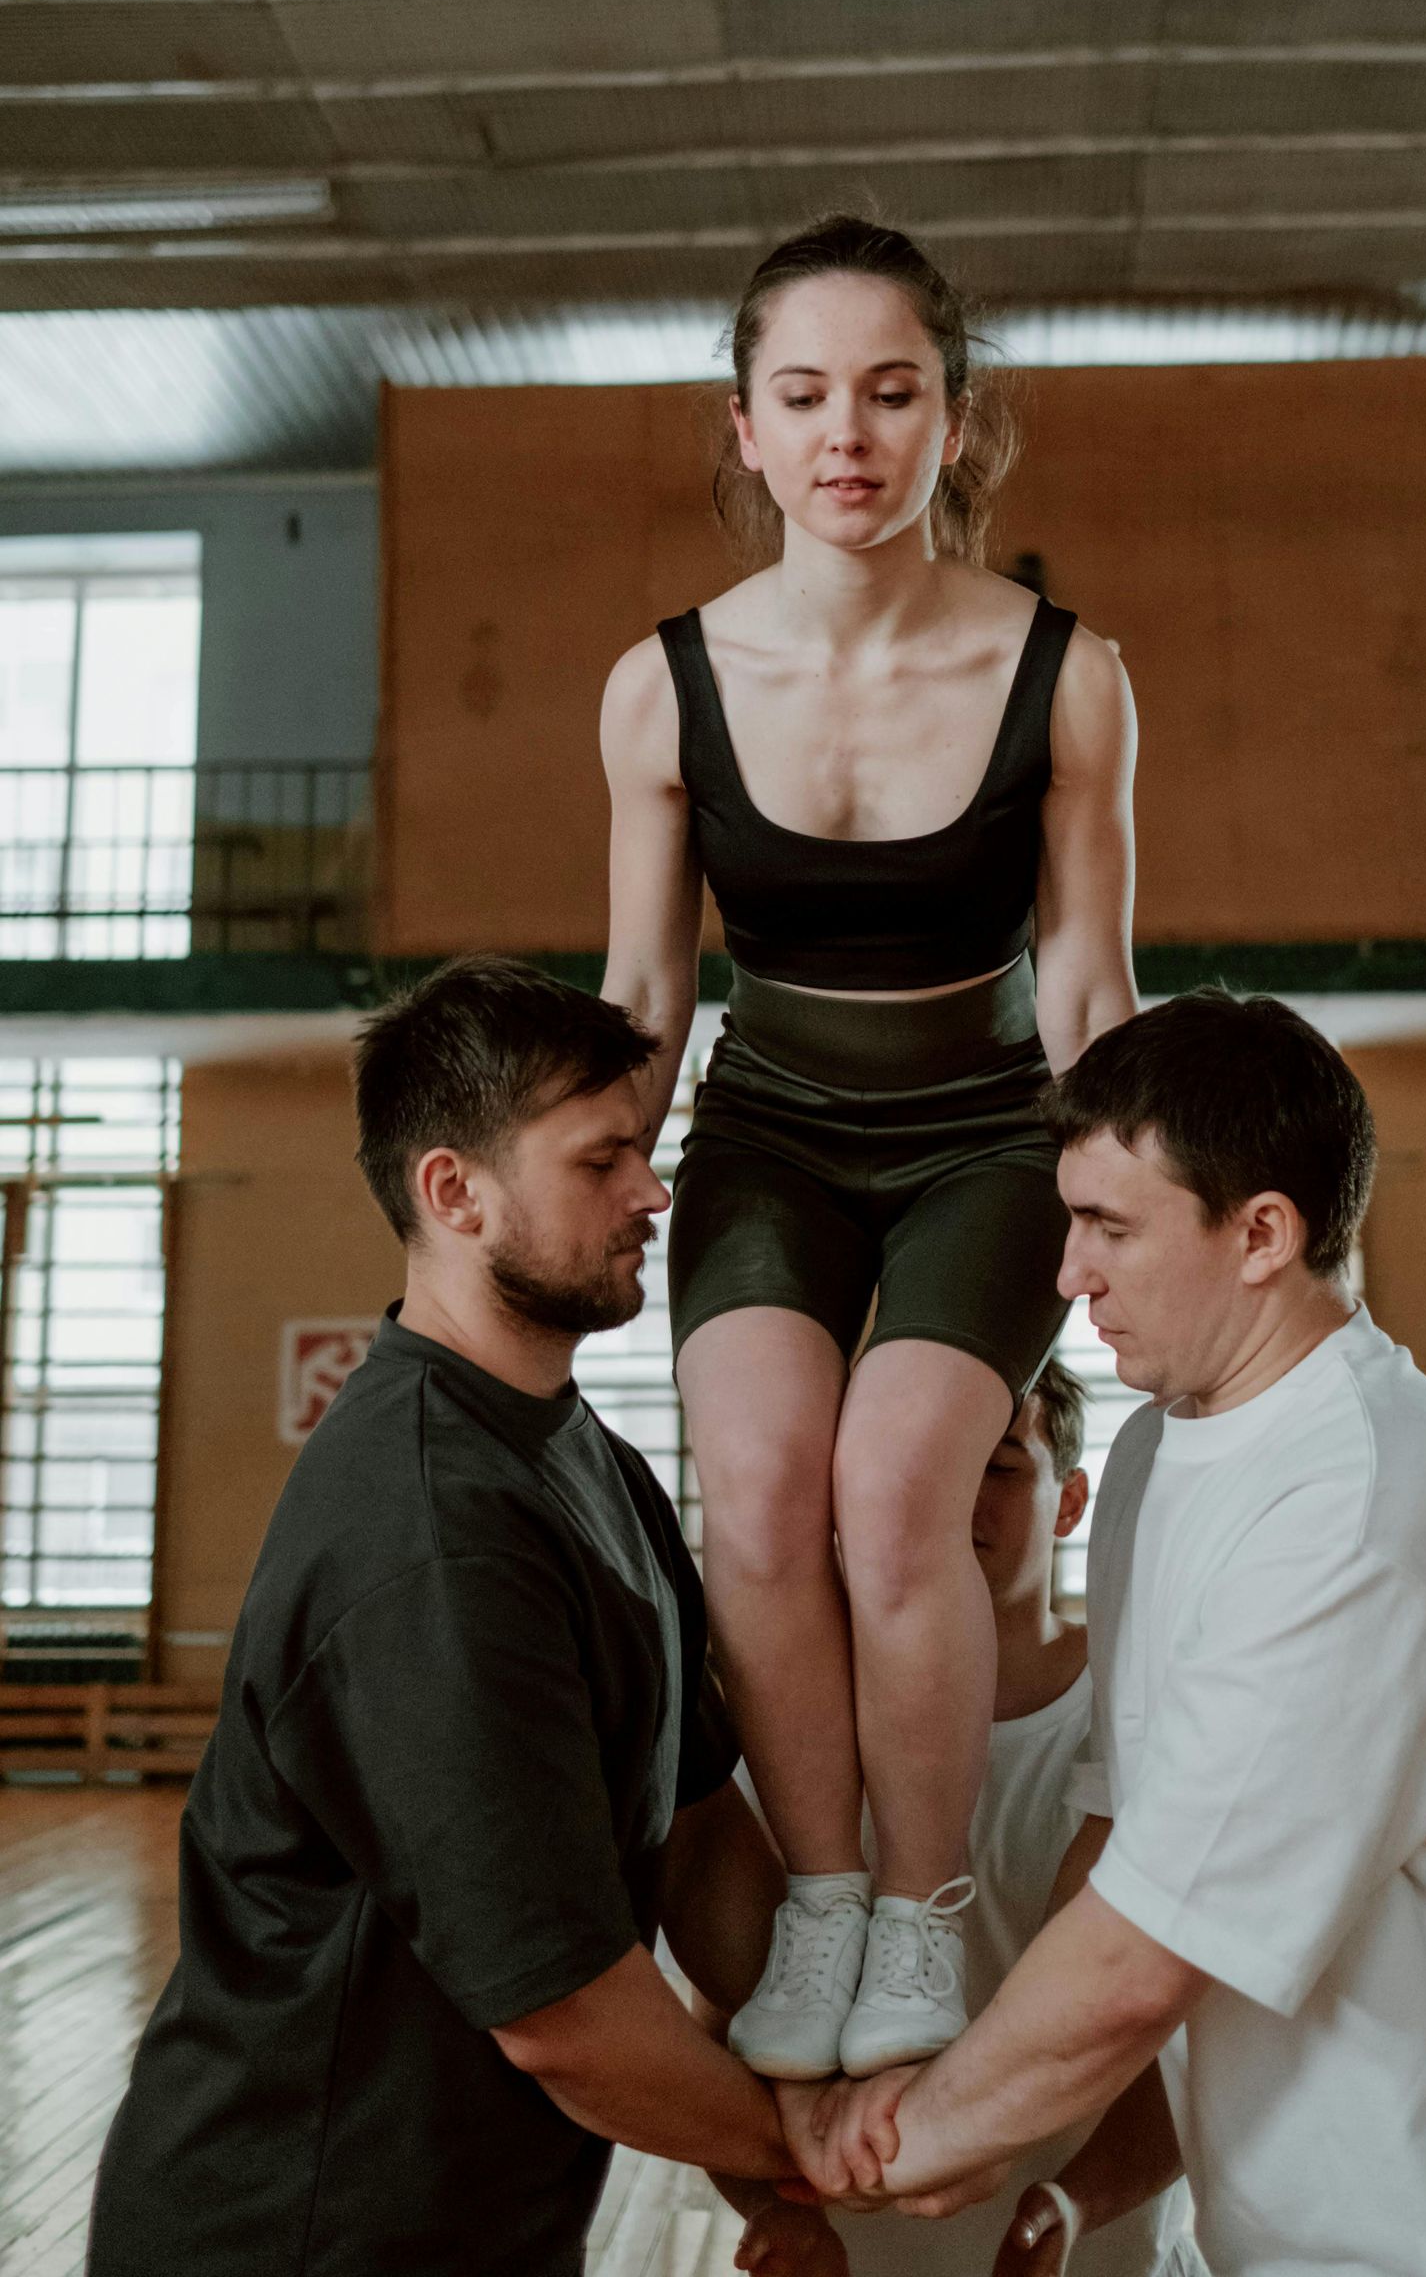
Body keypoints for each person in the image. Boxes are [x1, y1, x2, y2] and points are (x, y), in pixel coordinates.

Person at [791, 993, 1426, 2277]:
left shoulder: (1362, 1511)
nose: (1069, 1274)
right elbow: (1120, 1852)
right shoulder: (1158, 1451)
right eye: (1070, 1221)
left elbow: (1141, 1962)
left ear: (1262, 1235)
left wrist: (898, 2134)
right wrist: (1028, 2154)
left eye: (1110, 1227)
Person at [601, 215, 1137, 2079]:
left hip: (988, 1130)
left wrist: (1133, 1196)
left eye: (893, 392)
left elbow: (1084, 981)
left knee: (899, 1491)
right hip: (770, 1127)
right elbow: (645, 996)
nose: (850, 434)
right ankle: (821, 1893)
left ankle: (921, 1916)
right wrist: (591, 1190)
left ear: (953, 421)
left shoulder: (1065, 674)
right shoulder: (659, 683)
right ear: (743, 428)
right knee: (751, 1488)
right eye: (806, 395)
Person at [89, 957, 805, 2277]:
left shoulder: (589, 1460)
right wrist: (817, 2149)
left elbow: (700, 1836)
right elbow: (568, 2017)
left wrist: (827, 2054)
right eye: (603, 1162)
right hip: (297, 2241)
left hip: (486, 2228)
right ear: (454, 1192)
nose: (653, 1194)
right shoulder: (428, 1522)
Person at [718, 1362, 1203, 2277]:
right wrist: (770, 2206)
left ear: (1071, 1503)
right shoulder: (800, 1726)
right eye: (919, 1460)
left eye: (999, 1466)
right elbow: (732, 2017)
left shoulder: (1147, 1709)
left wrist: (1072, 2203)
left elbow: (1188, 2043)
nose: (948, 1494)